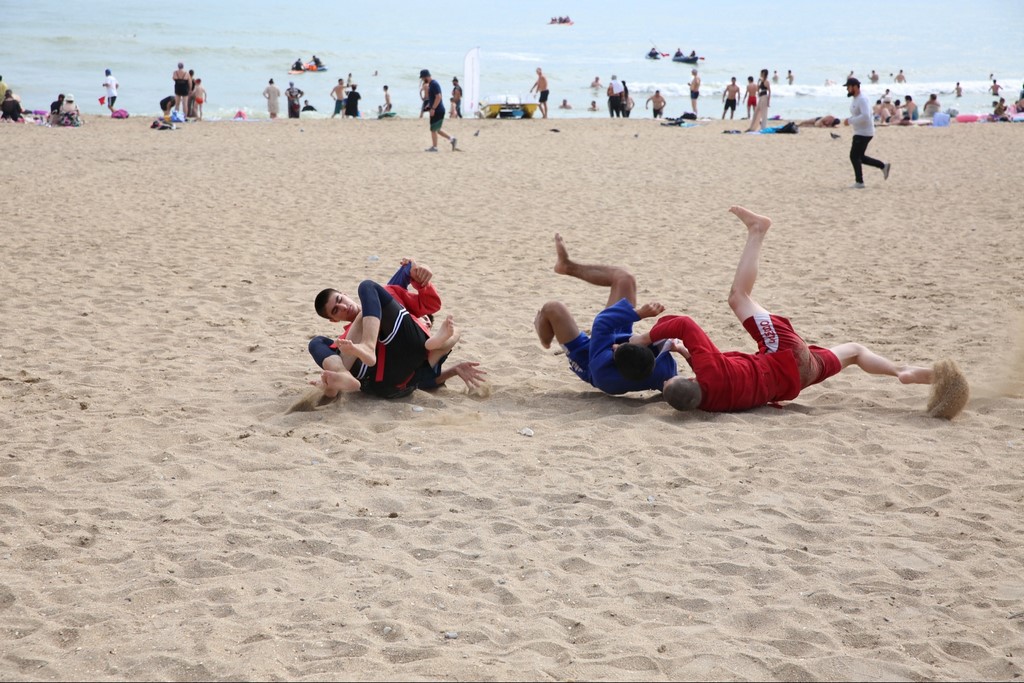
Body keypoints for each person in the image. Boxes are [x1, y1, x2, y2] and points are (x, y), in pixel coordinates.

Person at [652, 206, 967, 418]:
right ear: (693, 379)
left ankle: (906, 372)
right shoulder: (712, 375)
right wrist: (649, 339)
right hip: (782, 354)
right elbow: (688, 330)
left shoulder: (714, 402)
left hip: (798, 378)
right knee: (738, 298)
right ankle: (758, 230)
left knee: (855, 351)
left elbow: (704, 378)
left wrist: (685, 354)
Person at [308, 260, 485, 401]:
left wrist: (421, 272)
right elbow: (420, 380)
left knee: (368, 287)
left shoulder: (387, 294)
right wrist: (453, 370)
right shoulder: (347, 337)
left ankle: (340, 379)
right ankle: (340, 377)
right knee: (316, 342)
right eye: (336, 310)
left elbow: (413, 277)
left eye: (340, 299)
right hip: (381, 382)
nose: (343, 306)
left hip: (401, 350)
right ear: (334, 320)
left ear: (345, 293)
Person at [534, 234, 681, 397]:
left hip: (587, 356)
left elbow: (602, 322)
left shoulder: (602, 369)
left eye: (616, 349)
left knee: (553, 308)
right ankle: (566, 266)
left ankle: (544, 339)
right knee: (625, 278)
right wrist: (683, 351)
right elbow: (688, 390)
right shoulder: (664, 369)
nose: (615, 345)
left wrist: (639, 314)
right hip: (624, 349)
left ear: (613, 358)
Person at [843, 77, 890, 188]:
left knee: (854, 156)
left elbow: (866, 116)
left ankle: (859, 182)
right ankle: (883, 166)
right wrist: (851, 119)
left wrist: (850, 121)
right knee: (860, 157)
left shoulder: (862, 99)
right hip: (860, 131)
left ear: (855, 87)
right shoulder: (856, 98)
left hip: (864, 132)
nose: (847, 90)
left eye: (848, 87)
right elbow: (859, 114)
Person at [420, 69, 455, 152]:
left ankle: (435, 147)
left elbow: (439, 97)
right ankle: (452, 139)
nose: (422, 80)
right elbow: (435, 98)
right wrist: (429, 105)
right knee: (437, 129)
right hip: (438, 109)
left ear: (426, 77)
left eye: (422, 78)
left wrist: (433, 108)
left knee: (433, 129)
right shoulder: (432, 84)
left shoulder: (434, 84)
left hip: (437, 110)